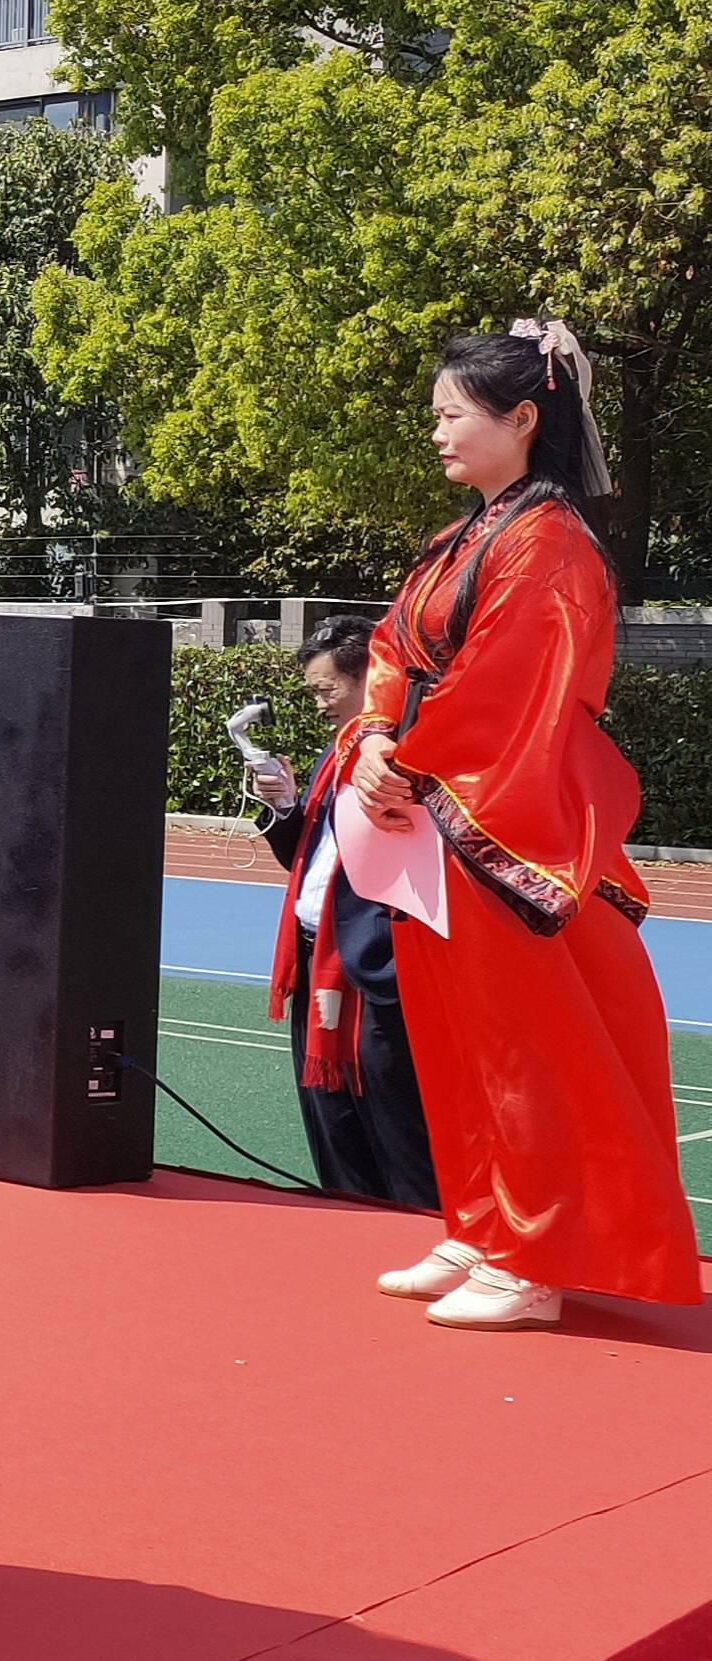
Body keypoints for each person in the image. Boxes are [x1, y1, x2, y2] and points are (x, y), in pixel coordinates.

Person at [341, 322, 694, 1332]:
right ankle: (483, 1222)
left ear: (523, 418)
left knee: (521, 1046)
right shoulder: (475, 533)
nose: (438, 433)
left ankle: (530, 1254)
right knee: (458, 1043)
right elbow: (391, 644)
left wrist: (398, 761)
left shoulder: (547, 544)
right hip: (440, 815)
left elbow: (504, 690)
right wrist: (372, 733)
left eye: (453, 414)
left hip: (504, 823)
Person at [249, 614, 434, 1211]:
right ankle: (349, 1230)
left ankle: (417, 1233)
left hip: (379, 971)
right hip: (317, 962)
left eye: (328, 689)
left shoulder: (407, 757)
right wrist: (282, 805)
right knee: (333, 1126)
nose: (321, 704)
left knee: (399, 1134)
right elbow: (313, 856)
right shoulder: (339, 755)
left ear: (371, 680)